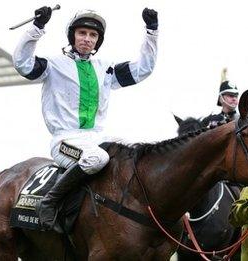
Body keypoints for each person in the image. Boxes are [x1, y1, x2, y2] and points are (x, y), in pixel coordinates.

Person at [13, 6, 159, 230]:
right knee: (96, 159)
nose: (87, 39)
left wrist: (152, 31)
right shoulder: (52, 65)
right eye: (82, 33)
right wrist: (37, 27)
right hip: (64, 141)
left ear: (98, 41)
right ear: (72, 36)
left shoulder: (105, 68)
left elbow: (143, 69)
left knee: (134, 152)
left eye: (93, 35)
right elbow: (23, 64)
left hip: (96, 138)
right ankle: (49, 203)